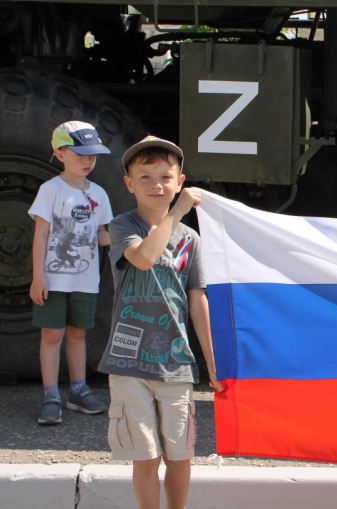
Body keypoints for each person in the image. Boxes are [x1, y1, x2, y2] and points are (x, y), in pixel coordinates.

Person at [97, 136, 223, 509]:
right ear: (129, 183)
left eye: (166, 177)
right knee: (146, 459)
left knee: (180, 458)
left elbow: (198, 301)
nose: (157, 185)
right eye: (145, 177)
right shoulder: (122, 225)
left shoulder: (191, 240)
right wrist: (177, 212)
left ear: (180, 181)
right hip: (128, 365)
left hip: (176, 366)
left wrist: (212, 362)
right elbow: (143, 258)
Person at [29, 121, 113, 425]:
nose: (88, 160)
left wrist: (133, 236)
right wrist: (38, 276)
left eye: (92, 154)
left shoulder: (100, 194)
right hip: (52, 279)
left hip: (85, 280)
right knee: (52, 334)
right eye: (80, 154)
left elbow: (101, 236)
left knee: (78, 333)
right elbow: (41, 234)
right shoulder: (50, 190)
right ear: (59, 154)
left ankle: (78, 391)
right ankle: (51, 396)